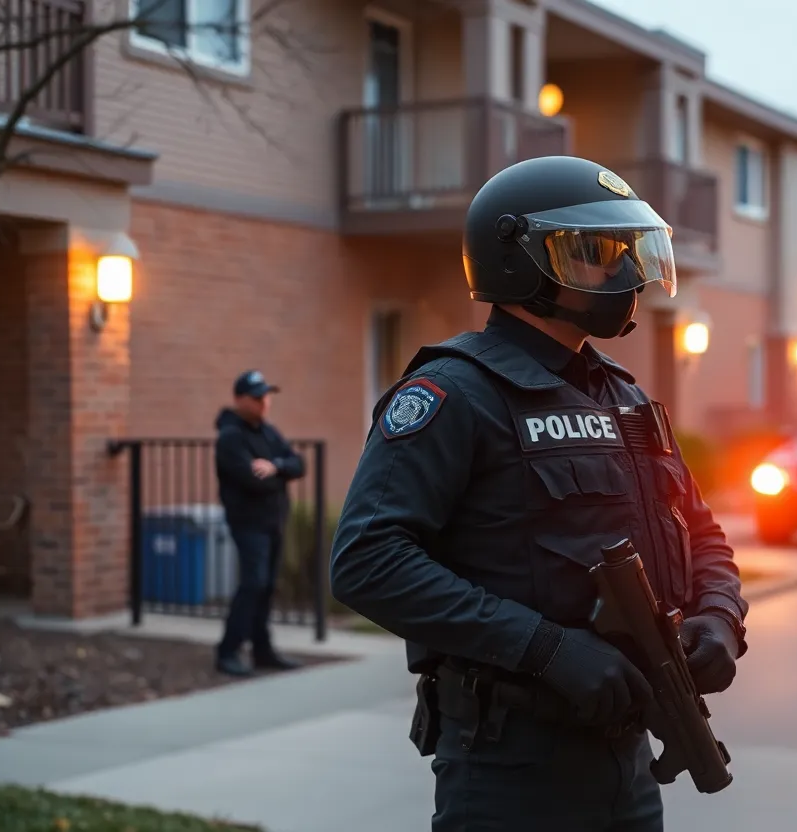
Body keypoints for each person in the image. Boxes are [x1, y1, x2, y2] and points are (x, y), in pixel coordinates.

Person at [330, 155, 748, 831]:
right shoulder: (454, 393)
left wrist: (719, 617)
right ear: (516, 261)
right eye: (595, 254)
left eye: (627, 254)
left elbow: (702, 533)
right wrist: (546, 649)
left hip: (627, 758)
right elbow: (367, 561)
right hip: (512, 766)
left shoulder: (625, 398)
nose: (624, 276)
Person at [213, 370, 307, 676]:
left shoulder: (269, 433)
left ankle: (262, 649)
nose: (264, 402)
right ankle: (228, 650)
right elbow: (254, 482)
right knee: (253, 583)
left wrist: (276, 467)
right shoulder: (230, 437)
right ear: (239, 399)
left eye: (266, 396)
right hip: (248, 522)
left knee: (266, 586)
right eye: (257, 397)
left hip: (273, 521)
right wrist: (280, 475)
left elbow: (298, 464)